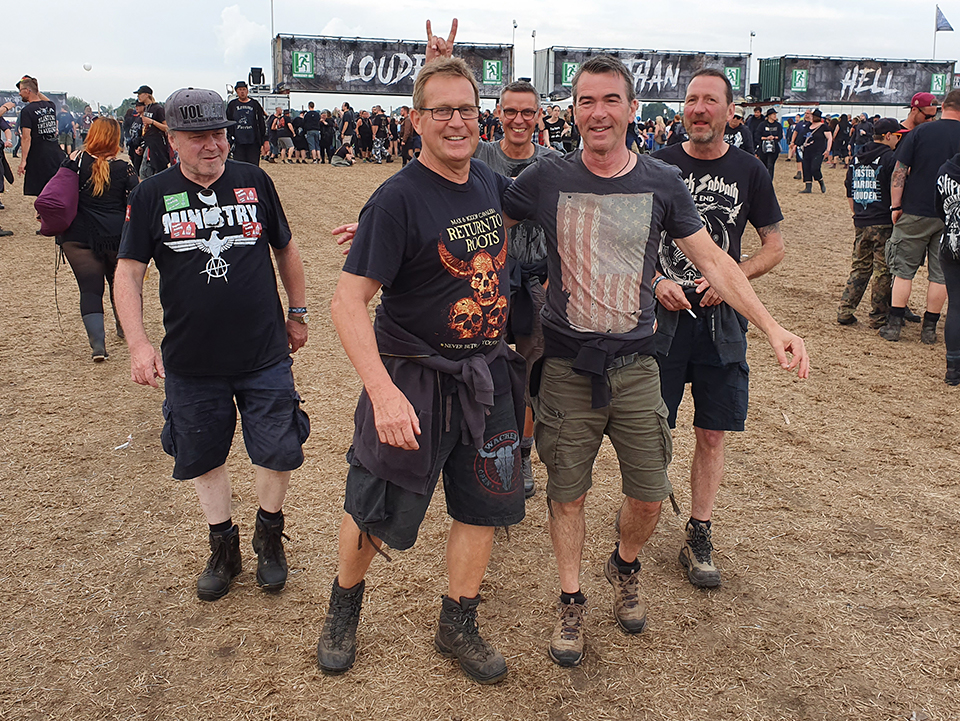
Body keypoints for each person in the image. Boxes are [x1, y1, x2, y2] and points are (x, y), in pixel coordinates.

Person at [500, 55, 808, 668]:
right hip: (565, 367)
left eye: (611, 100)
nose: (598, 113)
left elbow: (716, 263)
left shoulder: (662, 182)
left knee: (646, 495)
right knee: (567, 495)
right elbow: (477, 221)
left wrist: (772, 327)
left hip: (638, 366)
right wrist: (392, 227)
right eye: (586, 101)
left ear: (632, 109)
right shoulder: (546, 178)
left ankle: (626, 563)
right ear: (573, 111)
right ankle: (571, 598)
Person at [318, 50, 524, 685]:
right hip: (414, 379)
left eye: (466, 109)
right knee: (377, 499)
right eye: (441, 111)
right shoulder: (397, 199)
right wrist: (382, 394)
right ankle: (344, 606)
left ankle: (457, 621)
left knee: (483, 501)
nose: (456, 121)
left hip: (486, 376)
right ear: (415, 121)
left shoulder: (489, 183)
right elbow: (347, 303)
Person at [114, 87, 310, 603]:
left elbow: (285, 249)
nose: (212, 145)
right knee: (202, 453)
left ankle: (270, 533)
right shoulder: (151, 194)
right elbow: (128, 273)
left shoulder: (255, 180)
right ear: (172, 139)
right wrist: (137, 344)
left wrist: (298, 311)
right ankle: (222, 543)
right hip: (191, 360)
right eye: (198, 136)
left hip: (264, 351)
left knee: (279, 446)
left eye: (218, 134)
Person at [651, 69, 786, 591]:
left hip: (721, 323)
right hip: (660, 322)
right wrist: (659, 277)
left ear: (731, 112)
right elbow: (633, 241)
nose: (699, 108)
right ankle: (638, 521)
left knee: (712, 431)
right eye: (691, 100)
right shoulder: (659, 164)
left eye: (711, 100)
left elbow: (774, 246)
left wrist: (732, 279)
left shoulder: (750, 171)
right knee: (650, 430)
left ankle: (699, 531)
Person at [473, 81, 560, 498]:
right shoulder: (480, 156)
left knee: (527, 371)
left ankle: (522, 456)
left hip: (536, 280)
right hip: (486, 277)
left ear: (539, 115)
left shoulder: (555, 163)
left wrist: (551, 275)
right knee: (484, 365)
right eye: (511, 111)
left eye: (528, 112)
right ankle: (487, 451)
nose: (519, 120)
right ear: (497, 113)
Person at [880, 89, 960, 344]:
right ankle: (929, 329)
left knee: (903, 271)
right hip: (951, 214)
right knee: (940, 275)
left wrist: (895, 206)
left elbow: (899, 171)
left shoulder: (920, 132)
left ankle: (894, 326)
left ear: (943, 106)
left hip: (915, 210)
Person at [58, 117, 139, 360]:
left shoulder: (74, 161)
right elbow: (136, 200)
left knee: (90, 290)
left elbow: (58, 191)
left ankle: (98, 346)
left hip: (77, 234)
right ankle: (123, 327)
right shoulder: (125, 166)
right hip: (116, 234)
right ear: (115, 137)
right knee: (120, 285)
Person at [837, 118, 901, 328]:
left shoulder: (857, 157)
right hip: (883, 221)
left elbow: (849, 187)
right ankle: (878, 316)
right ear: (888, 136)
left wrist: (856, 213)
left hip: (862, 220)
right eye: (897, 136)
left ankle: (845, 310)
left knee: (860, 267)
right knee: (883, 270)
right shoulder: (891, 158)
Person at [15, 75, 64, 197]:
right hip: (54, 151)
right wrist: (35, 88)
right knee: (54, 185)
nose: (20, 94)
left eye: (21, 90)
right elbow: (42, 98)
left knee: (41, 189)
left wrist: (23, 161)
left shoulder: (27, 111)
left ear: (27, 90)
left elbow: (26, 137)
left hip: (39, 153)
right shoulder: (51, 106)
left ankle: (41, 214)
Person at [936, 150, 960, 384]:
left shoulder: (946, 170)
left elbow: (939, 208)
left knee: (956, 306)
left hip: (951, 242)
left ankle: (952, 369)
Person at [226, 81, 269, 166]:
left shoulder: (254, 104)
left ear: (247, 91)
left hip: (253, 142)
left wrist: (265, 140)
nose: (242, 92)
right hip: (238, 142)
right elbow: (228, 122)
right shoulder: (232, 105)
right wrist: (228, 140)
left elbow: (261, 122)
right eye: (240, 90)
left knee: (253, 167)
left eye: (244, 89)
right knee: (239, 167)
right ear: (236, 91)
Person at [134, 85, 169, 180]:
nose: (138, 97)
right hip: (148, 144)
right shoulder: (147, 108)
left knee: (155, 171)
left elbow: (167, 128)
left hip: (157, 144)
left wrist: (152, 122)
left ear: (146, 95)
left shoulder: (158, 108)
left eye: (140, 94)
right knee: (144, 172)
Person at [798, 109, 831, 193]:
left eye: (813, 116)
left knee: (815, 168)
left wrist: (828, 150)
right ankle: (808, 187)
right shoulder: (808, 126)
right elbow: (802, 136)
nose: (811, 118)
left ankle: (821, 182)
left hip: (819, 151)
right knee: (806, 168)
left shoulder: (823, 127)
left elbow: (829, 138)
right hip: (807, 151)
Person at [754, 108, 782, 178]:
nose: (775, 116)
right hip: (764, 148)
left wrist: (774, 137)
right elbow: (757, 135)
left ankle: (769, 180)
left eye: (775, 114)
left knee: (770, 165)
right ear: (769, 115)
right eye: (773, 114)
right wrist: (766, 138)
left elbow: (780, 135)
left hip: (774, 148)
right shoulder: (762, 124)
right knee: (764, 164)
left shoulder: (778, 125)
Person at [789, 111, 810, 180]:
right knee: (799, 159)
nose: (806, 115)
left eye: (808, 113)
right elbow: (795, 132)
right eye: (805, 113)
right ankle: (799, 172)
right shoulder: (800, 124)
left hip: (809, 145)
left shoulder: (812, 124)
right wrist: (792, 142)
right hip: (800, 144)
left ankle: (807, 173)